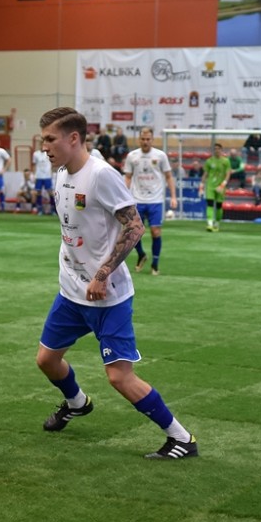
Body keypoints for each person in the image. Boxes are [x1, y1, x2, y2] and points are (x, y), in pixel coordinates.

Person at [34, 107, 197, 459]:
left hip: (107, 297)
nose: (44, 146)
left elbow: (135, 226)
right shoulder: (59, 174)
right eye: (43, 139)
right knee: (46, 360)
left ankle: (181, 438)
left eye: (50, 139)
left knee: (120, 377)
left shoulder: (101, 175)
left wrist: (102, 273)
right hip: (71, 292)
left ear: (73, 138)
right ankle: (77, 402)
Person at [123, 127, 177, 276]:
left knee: (155, 231)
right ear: (139, 140)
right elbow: (127, 177)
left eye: (148, 139)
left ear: (152, 140)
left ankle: (155, 264)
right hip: (136, 199)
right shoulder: (132, 156)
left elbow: (169, 176)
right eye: (143, 139)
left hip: (155, 200)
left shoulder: (160, 156)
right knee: (134, 232)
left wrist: (173, 196)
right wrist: (123, 196)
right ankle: (141, 254)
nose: (145, 142)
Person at [200, 143, 231, 232]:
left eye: (218, 149)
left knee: (219, 206)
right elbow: (205, 174)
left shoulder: (226, 161)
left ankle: (216, 223)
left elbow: (228, 174)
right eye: (215, 149)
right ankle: (210, 224)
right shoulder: (209, 161)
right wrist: (201, 186)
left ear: (221, 150)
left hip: (220, 186)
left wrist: (222, 185)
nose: (216, 150)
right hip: (210, 186)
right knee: (209, 204)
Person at [32, 140, 54, 215]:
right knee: (38, 192)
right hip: (39, 176)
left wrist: (51, 172)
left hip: (47, 176)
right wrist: (34, 175)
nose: (43, 146)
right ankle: (40, 209)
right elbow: (34, 165)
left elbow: (53, 163)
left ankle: (53, 209)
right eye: (41, 144)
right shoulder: (35, 154)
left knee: (50, 192)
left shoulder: (49, 153)